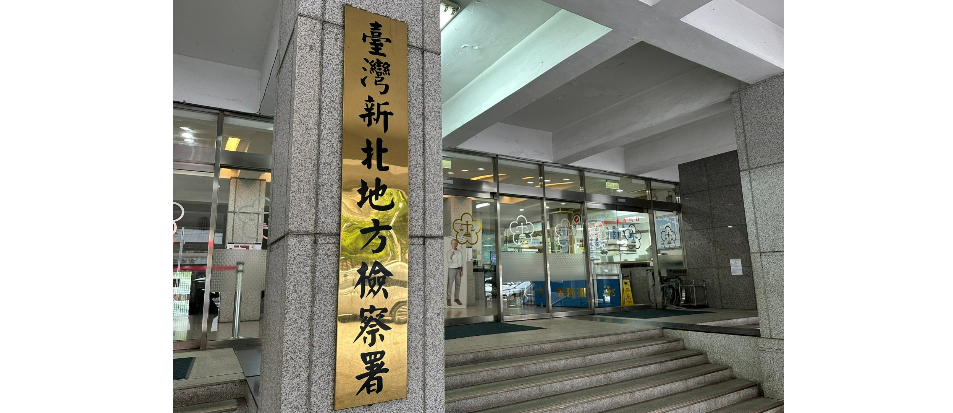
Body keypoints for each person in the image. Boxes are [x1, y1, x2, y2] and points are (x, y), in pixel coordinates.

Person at [447, 239, 464, 306]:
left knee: (458, 284)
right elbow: (449, 261)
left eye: (455, 243)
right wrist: (451, 255)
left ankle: (456, 298)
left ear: (457, 244)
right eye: (453, 243)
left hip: (459, 269)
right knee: (450, 284)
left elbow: (461, 261)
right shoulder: (449, 252)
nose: (454, 244)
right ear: (451, 244)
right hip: (452, 269)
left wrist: (462, 270)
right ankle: (448, 299)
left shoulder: (459, 252)